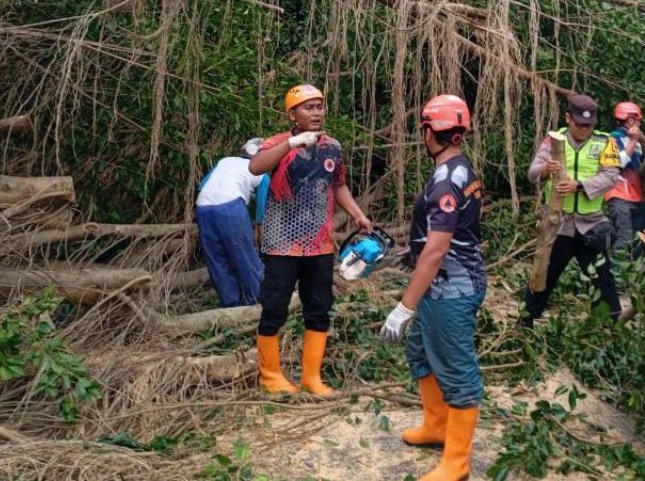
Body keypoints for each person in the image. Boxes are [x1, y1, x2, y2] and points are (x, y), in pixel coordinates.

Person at [380, 95, 485, 481]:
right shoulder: (456, 168)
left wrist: (403, 308)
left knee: (458, 372)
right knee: (420, 351)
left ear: (429, 131)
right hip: (439, 284)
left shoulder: (447, 178)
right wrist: (412, 249)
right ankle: (436, 425)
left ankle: (457, 462)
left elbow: (439, 248)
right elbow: (446, 235)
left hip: (451, 289)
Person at [248, 84, 372, 395]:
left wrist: (358, 214)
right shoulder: (277, 144)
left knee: (318, 307)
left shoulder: (333, 147)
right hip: (282, 243)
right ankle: (270, 376)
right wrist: (291, 143)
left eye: (319, 106)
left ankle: (311, 378)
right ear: (292, 114)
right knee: (274, 306)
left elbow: (339, 185)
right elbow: (256, 166)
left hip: (320, 244)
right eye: (308, 107)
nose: (316, 112)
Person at [521, 94, 623, 324]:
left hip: (591, 224)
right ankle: (525, 321)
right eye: (580, 125)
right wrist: (546, 169)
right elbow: (532, 174)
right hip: (559, 223)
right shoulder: (553, 140)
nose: (584, 130)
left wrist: (579, 186)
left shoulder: (606, 142)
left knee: (601, 278)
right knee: (545, 273)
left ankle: (612, 326)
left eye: (589, 125)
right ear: (568, 118)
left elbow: (611, 176)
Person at [195, 138, 269, 307]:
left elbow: (201, 185)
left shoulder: (225, 161)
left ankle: (231, 306)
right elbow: (262, 212)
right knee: (246, 257)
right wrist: (260, 234)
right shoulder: (262, 173)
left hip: (203, 207)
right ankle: (258, 303)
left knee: (217, 260)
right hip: (231, 207)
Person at [605, 101, 645, 252]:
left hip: (637, 197)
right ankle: (617, 274)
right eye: (638, 120)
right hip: (619, 197)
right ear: (630, 120)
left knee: (642, 242)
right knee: (624, 240)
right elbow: (620, 163)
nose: (639, 123)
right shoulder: (612, 138)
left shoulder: (636, 142)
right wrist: (633, 140)